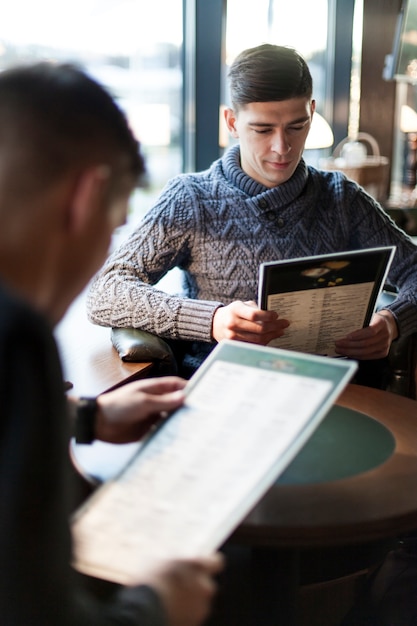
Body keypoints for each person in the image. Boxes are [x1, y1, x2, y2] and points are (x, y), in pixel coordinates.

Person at [0, 62, 224, 625]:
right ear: (87, 197)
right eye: (114, 225)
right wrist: (157, 604)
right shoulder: (17, 339)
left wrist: (85, 417)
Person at [86, 43, 417, 385]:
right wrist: (211, 319)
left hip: (339, 389)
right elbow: (106, 291)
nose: (282, 147)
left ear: (312, 113)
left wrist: (393, 321)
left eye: (296, 126)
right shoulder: (191, 199)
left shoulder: (341, 197)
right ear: (231, 121)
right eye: (262, 129)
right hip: (228, 391)